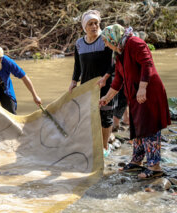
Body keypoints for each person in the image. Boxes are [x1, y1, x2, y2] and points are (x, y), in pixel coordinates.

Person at [99, 24, 171, 179]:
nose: (105, 44)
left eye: (106, 41)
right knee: (137, 127)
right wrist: (107, 98)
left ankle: (154, 166)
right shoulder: (119, 52)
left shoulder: (135, 43)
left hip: (149, 92)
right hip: (136, 94)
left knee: (149, 127)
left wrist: (143, 87)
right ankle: (137, 162)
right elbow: (118, 80)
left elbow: (147, 64)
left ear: (113, 37)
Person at [69, 10, 114, 156]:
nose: (94, 26)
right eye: (90, 24)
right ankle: (92, 145)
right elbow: (77, 65)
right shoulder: (79, 44)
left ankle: (105, 146)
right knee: (89, 117)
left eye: (96, 23)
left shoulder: (104, 40)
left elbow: (112, 64)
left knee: (105, 117)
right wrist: (74, 81)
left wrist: (105, 79)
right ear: (84, 27)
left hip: (105, 85)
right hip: (87, 86)